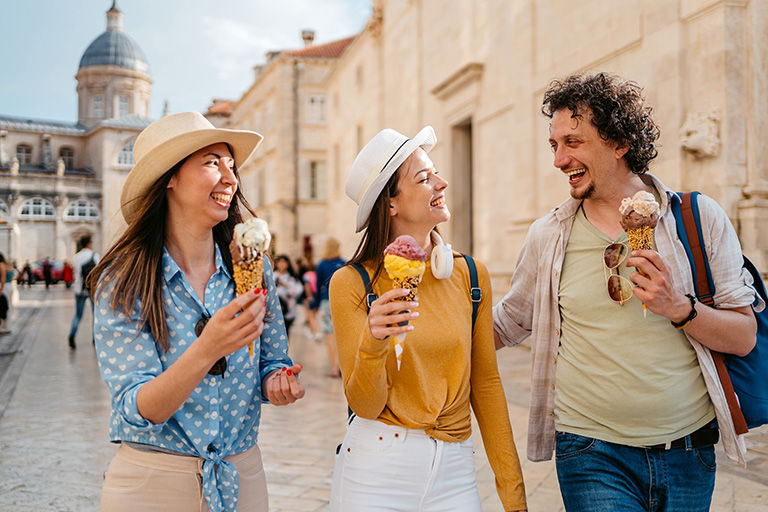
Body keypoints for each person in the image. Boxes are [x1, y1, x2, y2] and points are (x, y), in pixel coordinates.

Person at [493, 73, 761, 512]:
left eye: (573, 143)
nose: (559, 160)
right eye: (554, 145)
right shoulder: (549, 235)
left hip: (689, 451)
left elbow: (744, 336)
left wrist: (679, 308)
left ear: (619, 143)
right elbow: (506, 325)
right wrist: (421, 335)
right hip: (591, 451)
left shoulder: (698, 218)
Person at [91, 111, 305, 512]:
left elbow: (272, 363)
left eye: (231, 164)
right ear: (169, 178)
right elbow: (138, 407)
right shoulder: (124, 280)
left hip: (242, 476)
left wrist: (279, 381)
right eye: (211, 162)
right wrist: (207, 348)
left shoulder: (255, 270)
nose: (230, 177)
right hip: (153, 482)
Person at [329, 126, 527, 511]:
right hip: (376, 470)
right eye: (424, 178)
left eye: (435, 172)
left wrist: (514, 497)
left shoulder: (470, 275)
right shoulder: (351, 283)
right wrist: (374, 339)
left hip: (455, 470)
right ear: (391, 204)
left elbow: (485, 385)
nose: (442, 182)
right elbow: (364, 404)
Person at [316, 238, 345, 377]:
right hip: (342, 301)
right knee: (342, 337)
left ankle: (334, 368)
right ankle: (343, 368)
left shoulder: (322, 264)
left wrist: (314, 305)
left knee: (329, 337)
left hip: (327, 301)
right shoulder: (344, 263)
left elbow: (318, 286)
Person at [68, 235, 99, 349]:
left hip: (79, 289)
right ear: (89, 244)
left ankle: (72, 334)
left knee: (78, 315)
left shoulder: (76, 257)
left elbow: (75, 272)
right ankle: (95, 338)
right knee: (95, 314)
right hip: (91, 289)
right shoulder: (95, 256)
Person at [273, 254, 303, 333]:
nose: (282, 264)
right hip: (274, 310)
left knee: (286, 333)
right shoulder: (272, 276)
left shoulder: (292, 277)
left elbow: (299, 290)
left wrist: (286, 286)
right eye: (280, 262)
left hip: (288, 310)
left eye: (284, 262)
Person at [0, 253, 9, 334]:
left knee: (3, 306)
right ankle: (3, 327)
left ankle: (3, 327)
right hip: (3, 288)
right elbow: (3, 279)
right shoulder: (2, 265)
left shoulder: (1, 265)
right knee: (3, 307)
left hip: (2, 288)